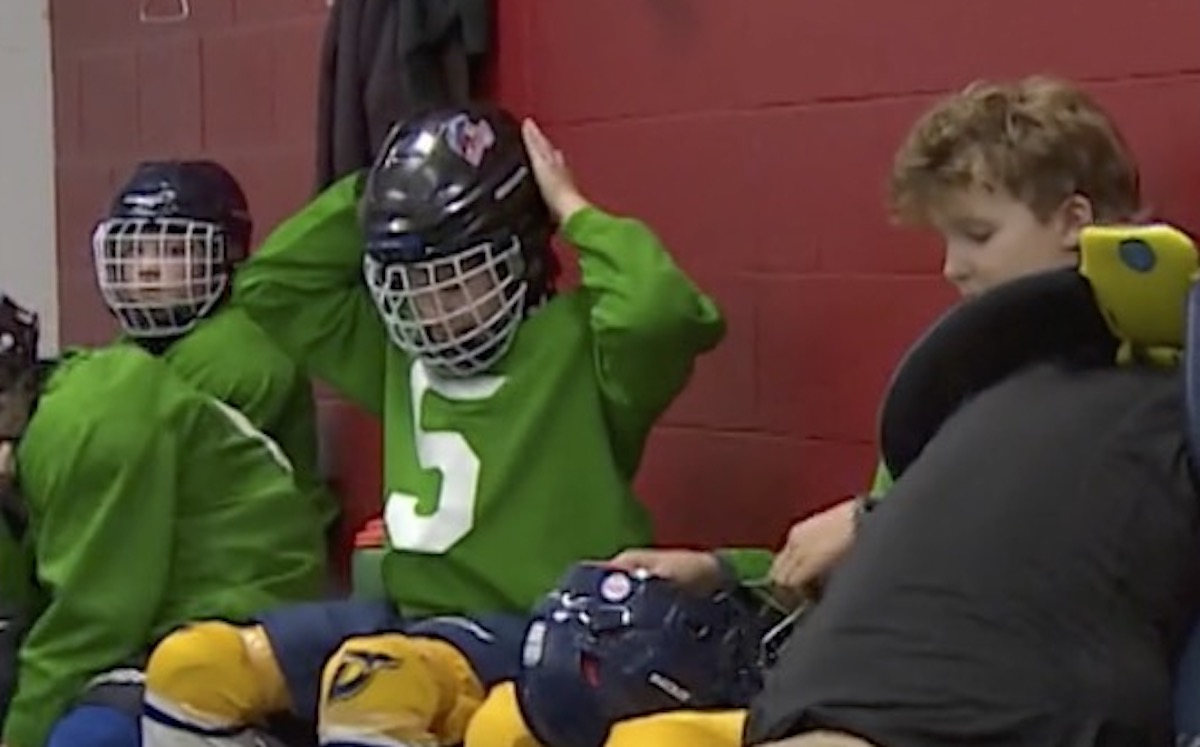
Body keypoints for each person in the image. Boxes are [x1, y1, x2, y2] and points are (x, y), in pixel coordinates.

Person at [462, 75, 1148, 747]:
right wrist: (724, 573)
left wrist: (873, 524)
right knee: (508, 721)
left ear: (1072, 222)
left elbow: (1042, 563)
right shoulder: (959, 384)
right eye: (948, 240)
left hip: (959, 704)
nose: (953, 267)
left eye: (978, 234)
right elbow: (866, 581)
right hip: (854, 674)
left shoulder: (1138, 389)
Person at [139, 103, 725, 747]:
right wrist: (388, 189)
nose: (431, 311)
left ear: (523, 258)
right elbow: (274, 284)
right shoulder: (400, 353)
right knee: (193, 666)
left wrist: (568, 206)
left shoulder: (585, 350)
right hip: (406, 618)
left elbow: (659, 311)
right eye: (411, 287)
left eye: (455, 285)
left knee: (373, 688)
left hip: (534, 626)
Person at [0, 293, 327, 747]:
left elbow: (93, 622)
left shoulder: (90, 422)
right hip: (148, 616)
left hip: (235, 612)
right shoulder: (44, 422)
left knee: (91, 738)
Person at [91, 159, 339, 536]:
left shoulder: (246, 348)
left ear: (229, 253)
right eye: (135, 250)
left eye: (173, 251)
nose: (147, 268)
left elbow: (140, 467)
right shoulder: (138, 345)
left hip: (261, 552)